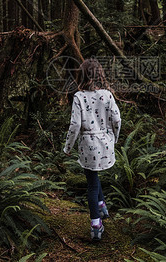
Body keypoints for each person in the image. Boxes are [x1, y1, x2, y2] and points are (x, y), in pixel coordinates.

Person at [63, 58, 121, 241]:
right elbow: (117, 120)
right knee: (94, 177)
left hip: (88, 144)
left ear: (83, 75)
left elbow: (75, 125)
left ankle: (96, 224)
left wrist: (68, 147)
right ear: (100, 75)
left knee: (91, 183)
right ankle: (102, 205)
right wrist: (113, 138)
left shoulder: (79, 97)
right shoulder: (107, 95)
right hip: (104, 142)